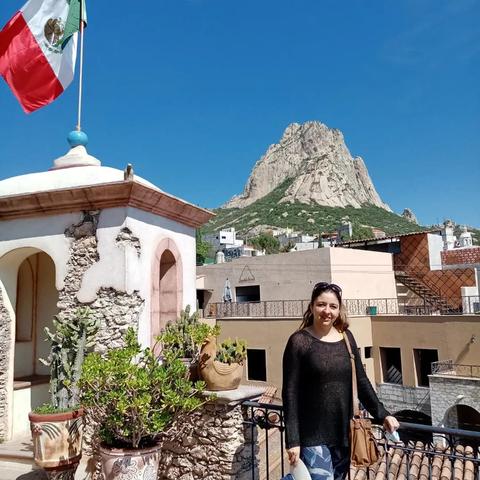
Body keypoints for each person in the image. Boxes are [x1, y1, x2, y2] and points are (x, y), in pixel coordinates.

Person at [282, 282, 399, 480]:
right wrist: (292, 440)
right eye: (321, 305)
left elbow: (361, 381)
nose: (327, 311)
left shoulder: (347, 338)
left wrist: (383, 414)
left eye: (333, 306)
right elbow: (290, 393)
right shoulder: (299, 341)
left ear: (339, 310)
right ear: (311, 307)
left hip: (344, 434)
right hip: (312, 436)